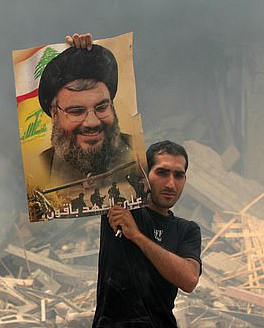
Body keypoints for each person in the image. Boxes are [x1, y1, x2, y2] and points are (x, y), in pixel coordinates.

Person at [68, 34, 201, 327]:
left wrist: (137, 237)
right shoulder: (118, 203)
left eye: (178, 175)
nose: (170, 183)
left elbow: (189, 279)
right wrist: (81, 58)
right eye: (162, 172)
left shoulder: (186, 230)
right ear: (145, 173)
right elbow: (91, 143)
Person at [37, 34, 140, 194]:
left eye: (101, 108)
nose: (92, 122)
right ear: (55, 114)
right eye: (77, 112)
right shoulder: (37, 171)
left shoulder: (138, 153)